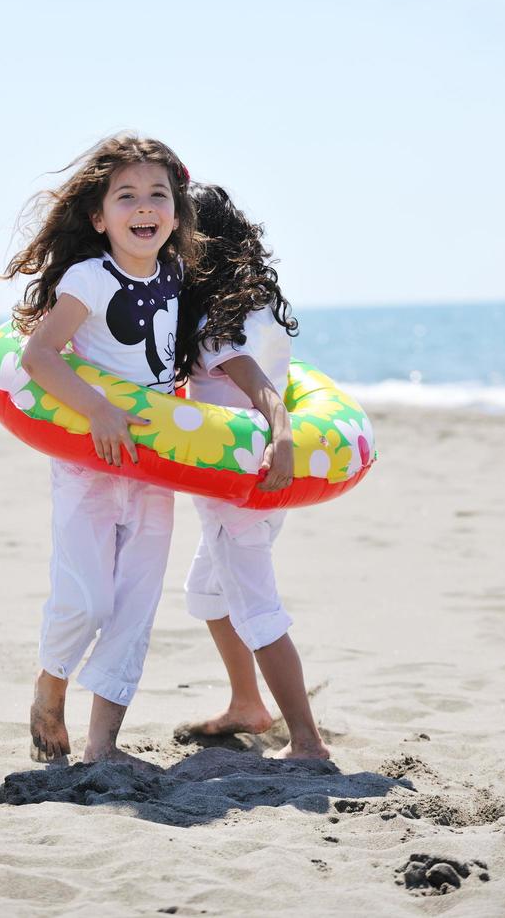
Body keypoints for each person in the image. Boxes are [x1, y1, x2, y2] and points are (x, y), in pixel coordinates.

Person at [2, 133, 195, 763]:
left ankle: (102, 746)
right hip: (91, 461)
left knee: (136, 605)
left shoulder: (176, 277)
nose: (145, 207)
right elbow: (38, 356)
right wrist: (100, 411)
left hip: (152, 465)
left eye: (158, 195)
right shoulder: (91, 275)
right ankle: (49, 687)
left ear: (174, 210)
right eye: (128, 196)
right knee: (86, 596)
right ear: (99, 215)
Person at [175, 184, 330, 760]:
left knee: (256, 608)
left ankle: (308, 742)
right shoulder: (257, 304)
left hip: (238, 480)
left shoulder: (215, 319)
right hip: (264, 484)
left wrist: (283, 433)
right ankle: (247, 704)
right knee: (206, 593)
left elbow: (260, 386)